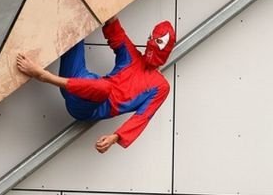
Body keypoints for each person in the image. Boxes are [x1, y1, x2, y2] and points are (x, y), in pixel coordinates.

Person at [16, 16, 176, 153]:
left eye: (159, 41)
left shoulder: (160, 86)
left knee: (104, 87)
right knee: (76, 27)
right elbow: (115, 29)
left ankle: (43, 76)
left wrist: (115, 137)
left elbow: (142, 117)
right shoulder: (133, 57)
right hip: (78, 82)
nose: (152, 43)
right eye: (151, 38)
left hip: (86, 106)